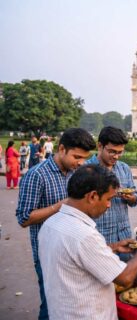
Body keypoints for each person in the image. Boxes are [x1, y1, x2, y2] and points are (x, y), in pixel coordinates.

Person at [38, 164, 137, 320]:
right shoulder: (84, 235)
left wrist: (113, 247)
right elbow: (125, 277)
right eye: (108, 199)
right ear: (93, 196)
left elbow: (73, 255)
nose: (109, 205)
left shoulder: (51, 223)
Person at [16, 128, 96, 320]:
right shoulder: (37, 175)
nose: (81, 163)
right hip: (48, 253)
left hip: (73, 251)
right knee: (51, 306)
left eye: (84, 158)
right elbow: (24, 218)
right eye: (77, 157)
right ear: (61, 149)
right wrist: (60, 206)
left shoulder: (73, 173)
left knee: (71, 305)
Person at [85, 126, 137, 244]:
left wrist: (131, 197)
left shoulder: (124, 168)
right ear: (100, 146)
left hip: (123, 234)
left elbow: (135, 199)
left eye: (120, 152)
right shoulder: (86, 169)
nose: (116, 156)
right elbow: (79, 204)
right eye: (112, 151)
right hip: (99, 237)